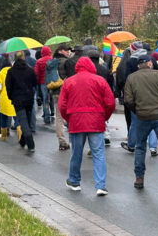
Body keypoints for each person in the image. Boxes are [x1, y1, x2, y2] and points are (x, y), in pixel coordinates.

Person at [123, 55, 158, 191]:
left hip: (142, 117)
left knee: (140, 147)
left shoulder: (131, 78)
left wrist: (136, 111)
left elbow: (128, 100)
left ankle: (139, 178)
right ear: (149, 63)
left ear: (138, 66)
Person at [60, 57, 116, 195]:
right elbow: (110, 103)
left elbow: (62, 105)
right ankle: (101, 185)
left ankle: (74, 181)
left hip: (76, 121)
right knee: (98, 154)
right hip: (96, 121)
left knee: (76, 153)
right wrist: (104, 117)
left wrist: (69, 118)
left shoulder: (69, 81)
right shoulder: (100, 80)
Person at [6, 51, 38, 153]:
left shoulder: (11, 72)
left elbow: (8, 87)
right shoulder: (30, 70)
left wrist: (11, 97)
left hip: (18, 99)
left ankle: (30, 142)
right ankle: (23, 141)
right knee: (27, 120)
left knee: (23, 121)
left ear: (15, 59)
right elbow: (34, 83)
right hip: (29, 99)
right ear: (24, 58)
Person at [46, 44, 71, 150]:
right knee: (69, 114)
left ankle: (61, 140)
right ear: (60, 51)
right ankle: (72, 138)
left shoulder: (52, 62)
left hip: (55, 91)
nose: (68, 52)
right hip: (65, 91)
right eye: (66, 50)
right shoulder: (66, 62)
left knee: (59, 116)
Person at [87, 50, 115, 145]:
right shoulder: (104, 69)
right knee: (102, 115)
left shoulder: (87, 70)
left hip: (90, 96)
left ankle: (95, 136)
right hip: (102, 95)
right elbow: (110, 83)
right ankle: (105, 134)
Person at [0, 56, 17, 141]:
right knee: (16, 116)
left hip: (4, 97)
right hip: (14, 97)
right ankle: (19, 134)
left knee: (3, 117)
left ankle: (3, 136)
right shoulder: (14, 72)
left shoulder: (0, 73)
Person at [34, 46, 53, 124]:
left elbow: (36, 74)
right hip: (52, 82)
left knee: (45, 100)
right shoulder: (53, 60)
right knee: (52, 98)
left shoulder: (39, 61)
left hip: (43, 83)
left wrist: (38, 83)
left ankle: (47, 117)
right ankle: (53, 112)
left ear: (42, 53)